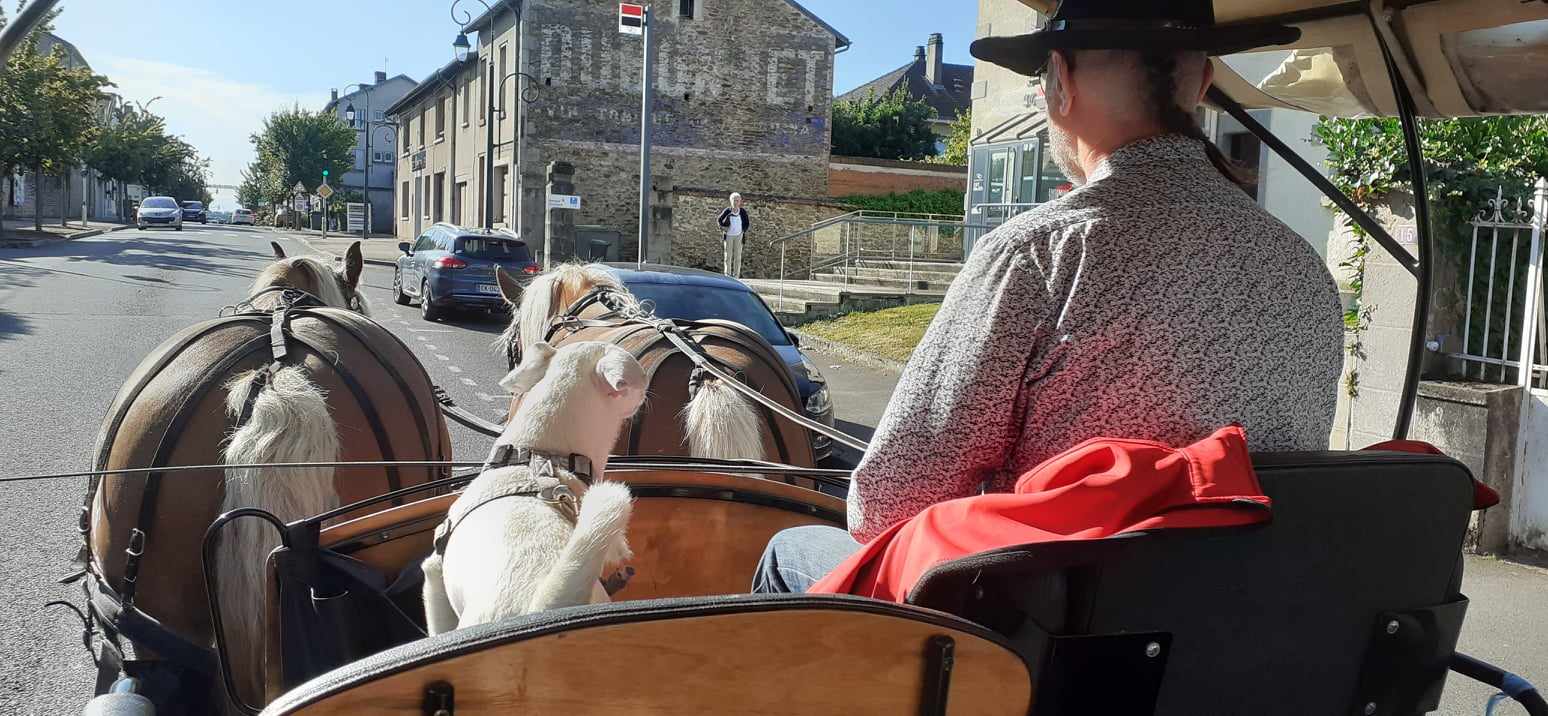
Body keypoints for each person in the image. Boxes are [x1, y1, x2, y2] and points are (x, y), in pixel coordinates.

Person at [753, 0, 1341, 595]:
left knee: (788, 550)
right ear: (1203, 83)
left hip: (1053, 636)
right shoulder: (1302, 265)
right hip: (1241, 617)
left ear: (1058, 80)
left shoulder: (1041, 253)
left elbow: (889, 504)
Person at [717, 193, 749, 278]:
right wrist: (723, 229)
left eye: (738, 201)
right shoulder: (727, 210)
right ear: (731, 201)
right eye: (734, 200)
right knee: (728, 256)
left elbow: (747, 223)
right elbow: (719, 220)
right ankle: (727, 275)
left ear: (740, 202)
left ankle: (736, 276)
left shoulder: (742, 211)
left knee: (737, 257)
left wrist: (743, 231)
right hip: (729, 236)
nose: (736, 202)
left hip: (739, 236)